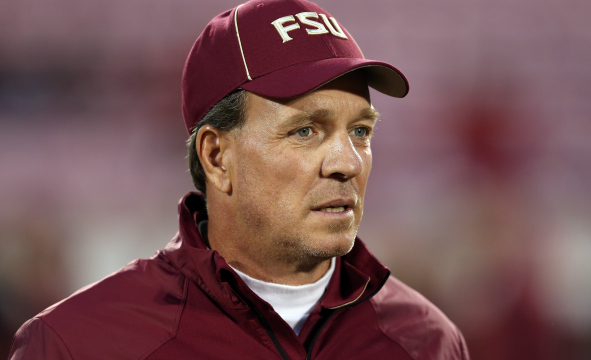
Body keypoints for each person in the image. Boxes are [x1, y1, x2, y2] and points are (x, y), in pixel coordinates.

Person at [9, 0, 470, 359]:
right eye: (306, 130)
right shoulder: (78, 346)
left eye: (360, 131)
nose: (347, 163)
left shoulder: (428, 341)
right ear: (216, 155)